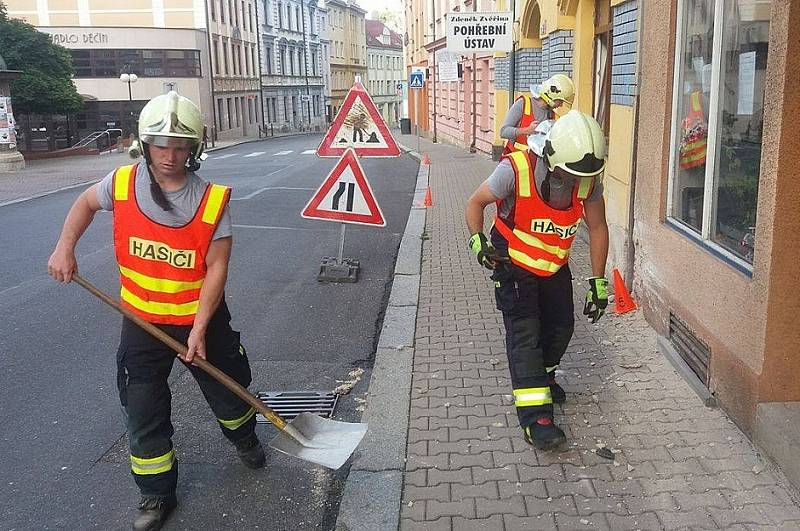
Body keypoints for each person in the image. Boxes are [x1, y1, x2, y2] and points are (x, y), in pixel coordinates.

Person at [47, 91, 265, 531]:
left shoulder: (210, 200)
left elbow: (216, 268)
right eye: (162, 145)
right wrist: (64, 247)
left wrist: (200, 328)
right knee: (143, 406)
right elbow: (85, 204)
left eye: (180, 146)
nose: (170, 155)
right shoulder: (122, 183)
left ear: (194, 149)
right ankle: (155, 494)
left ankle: (244, 438)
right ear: (145, 144)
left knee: (228, 390)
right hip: (142, 321)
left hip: (199, 319)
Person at [465, 110, 609, 451]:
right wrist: (477, 242)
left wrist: (598, 282)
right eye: (569, 175)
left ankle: (544, 377)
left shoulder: (587, 178)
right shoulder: (515, 170)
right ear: (551, 157)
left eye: (582, 177)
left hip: (552, 264)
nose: (576, 183)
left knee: (561, 327)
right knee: (525, 335)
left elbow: (599, 228)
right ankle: (536, 418)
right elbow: (475, 203)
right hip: (512, 260)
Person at [500, 74, 575, 155]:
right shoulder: (523, 104)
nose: (560, 105)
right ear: (552, 96)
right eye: (560, 101)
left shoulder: (553, 117)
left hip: (538, 166)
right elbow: (503, 132)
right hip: (517, 163)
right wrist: (526, 130)